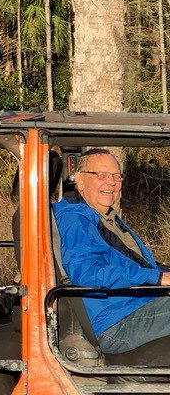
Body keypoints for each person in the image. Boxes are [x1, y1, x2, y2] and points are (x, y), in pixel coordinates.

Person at [53, 148, 170, 354]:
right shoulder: (75, 219)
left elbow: (135, 264)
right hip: (115, 322)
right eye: (102, 175)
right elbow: (88, 273)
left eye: (117, 176)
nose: (112, 182)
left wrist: (160, 277)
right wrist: (156, 278)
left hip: (135, 304)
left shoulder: (104, 217)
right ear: (79, 181)